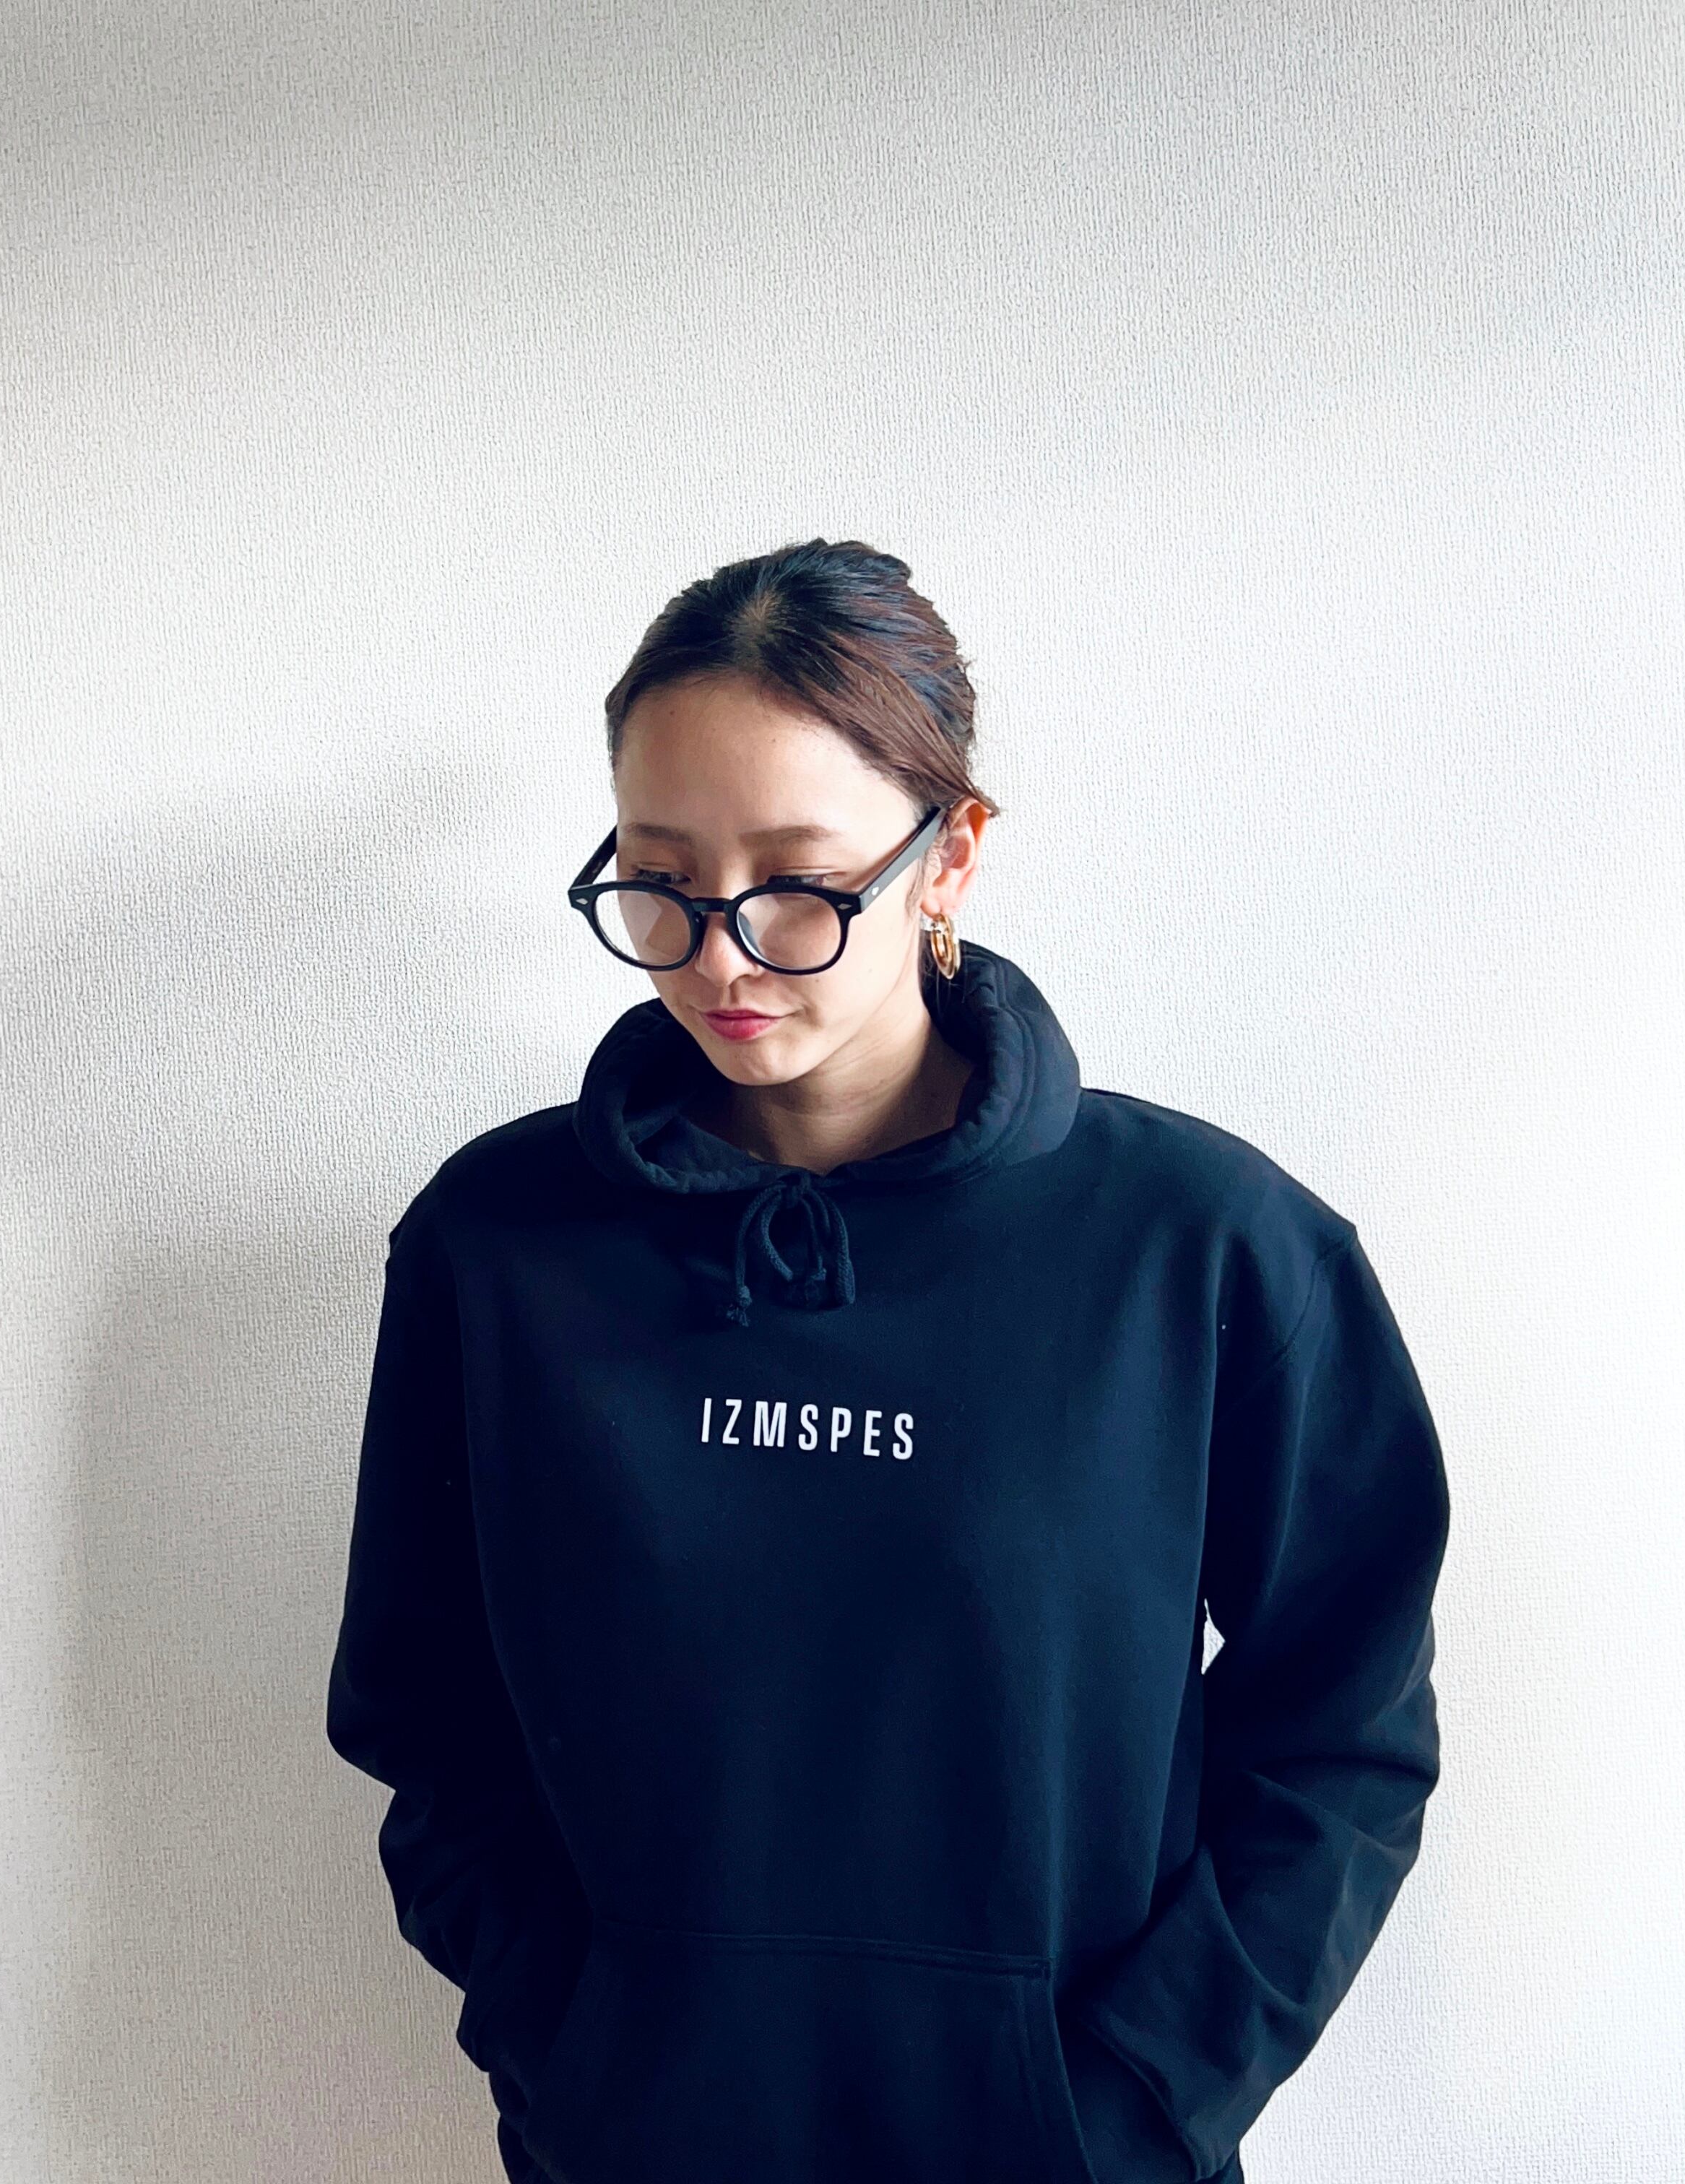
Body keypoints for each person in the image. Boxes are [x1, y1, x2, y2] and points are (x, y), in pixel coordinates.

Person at [325, 537, 1450, 2184]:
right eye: (658, 881)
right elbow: (426, 1714)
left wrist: (1130, 2105)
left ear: (951, 856)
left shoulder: (1207, 1248)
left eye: (798, 884)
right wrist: (581, 2054)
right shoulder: (496, 1248)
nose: (720, 957)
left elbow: (1345, 1736)